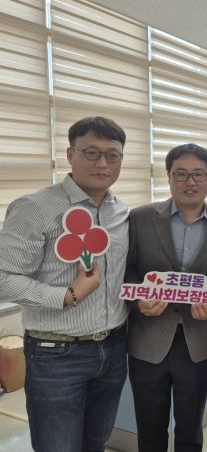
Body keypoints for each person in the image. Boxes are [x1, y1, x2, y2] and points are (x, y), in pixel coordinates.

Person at [0, 116, 128, 452]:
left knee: (96, 442)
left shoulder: (121, 211)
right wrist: (66, 294)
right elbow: (4, 278)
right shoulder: (35, 208)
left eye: (112, 155)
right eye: (91, 152)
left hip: (114, 348)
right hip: (56, 353)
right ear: (71, 155)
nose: (103, 163)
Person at [125, 143, 207, 452]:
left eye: (198, 174)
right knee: (150, 429)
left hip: (196, 342)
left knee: (190, 430)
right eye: (181, 174)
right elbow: (126, 270)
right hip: (148, 340)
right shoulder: (140, 218)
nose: (190, 182)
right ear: (168, 177)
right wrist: (138, 300)